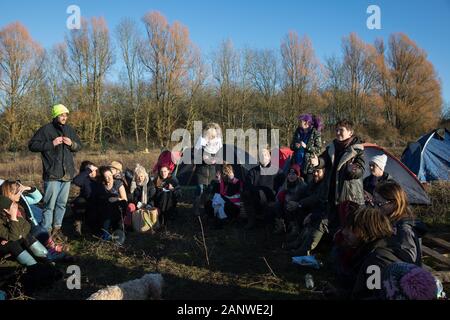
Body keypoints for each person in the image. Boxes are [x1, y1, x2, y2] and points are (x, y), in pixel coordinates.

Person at [28, 104, 82, 241]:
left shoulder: (69, 130)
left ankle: (57, 229)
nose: (65, 117)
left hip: (67, 174)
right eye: (62, 115)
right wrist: (51, 144)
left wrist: (72, 144)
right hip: (52, 174)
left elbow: (79, 146)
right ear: (55, 115)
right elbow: (32, 145)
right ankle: (46, 232)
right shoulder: (46, 130)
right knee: (49, 205)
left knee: (62, 204)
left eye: (66, 115)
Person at [310, 119, 365, 231]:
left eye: (341, 130)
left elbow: (361, 170)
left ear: (350, 132)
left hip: (349, 195)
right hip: (332, 193)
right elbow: (324, 159)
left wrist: (353, 170)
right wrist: (318, 162)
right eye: (336, 130)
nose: (338, 132)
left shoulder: (357, 149)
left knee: (347, 225)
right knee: (332, 223)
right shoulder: (332, 147)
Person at [337, 207, 403, 299]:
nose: (344, 232)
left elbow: (375, 296)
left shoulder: (376, 261)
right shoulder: (370, 250)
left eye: (350, 228)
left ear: (367, 230)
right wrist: (341, 294)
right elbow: (366, 291)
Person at [0, 196, 62, 293]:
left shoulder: (11, 214)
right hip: (4, 246)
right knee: (13, 244)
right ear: (5, 209)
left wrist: (18, 233)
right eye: (12, 206)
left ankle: (46, 262)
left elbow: (26, 225)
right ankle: (34, 268)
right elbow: (13, 236)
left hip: (14, 239)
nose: (15, 207)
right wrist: (13, 219)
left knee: (26, 237)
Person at [373, 181, 426, 266]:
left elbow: (410, 259)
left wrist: (383, 254)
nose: (376, 208)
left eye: (379, 204)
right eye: (374, 203)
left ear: (394, 203)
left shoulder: (404, 228)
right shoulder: (392, 221)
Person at [284, 167, 329, 256]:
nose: (315, 173)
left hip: (324, 213)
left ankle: (304, 249)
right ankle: (298, 239)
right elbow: (305, 193)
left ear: (324, 172)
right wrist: (294, 201)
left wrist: (299, 204)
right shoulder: (313, 182)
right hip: (315, 209)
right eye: (314, 171)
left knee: (316, 220)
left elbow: (316, 199)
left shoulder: (326, 185)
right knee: (298, 208)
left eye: (318, 171)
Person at [243, 147, 285, 229]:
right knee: (246, 193)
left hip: (271, 197)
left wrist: (267, 194)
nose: (263, 156)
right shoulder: (252, 171)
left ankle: (270, 223)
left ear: (269, 157)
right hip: (255, 197)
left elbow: (282, 188)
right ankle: (251, 221)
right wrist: (260, 191)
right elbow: (247, 185)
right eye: (261, 155)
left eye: (265, 154)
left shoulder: (278, 172)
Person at [192, 123, 223, 217]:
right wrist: (202, 158)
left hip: (212, 168)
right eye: (210, 136)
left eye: (213, 136)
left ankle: (205, 207)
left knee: (209, 190)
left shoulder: (218, 140)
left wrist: (216, 161)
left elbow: (220, 154)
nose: (211, 138)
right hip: (201, 169)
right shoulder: (201, 140)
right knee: (200, 190)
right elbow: (194, 154)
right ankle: (196, 209)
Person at [92, 166, 128, 239]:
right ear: (103, 177)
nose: (109, 178)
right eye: (106, 176)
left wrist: (115, 199)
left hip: (118, 207)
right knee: (104, 206)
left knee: (111, 206)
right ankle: (105, 233)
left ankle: (106, 233)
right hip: (104, 209)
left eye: (110, 175)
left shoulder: (118, 183)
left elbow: (124, 199)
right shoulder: (101, 186)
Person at [272, 164, 307, 236]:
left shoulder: (302, 185)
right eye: (289, 174)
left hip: (298, 206)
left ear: (298, 175)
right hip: (286, 205)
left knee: (289, 204)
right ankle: (281, 224)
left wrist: (295, 203)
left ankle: (295, 227)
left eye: (294, 174)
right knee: (277, 204)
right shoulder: (286, 183)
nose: (291, 176)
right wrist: (282, 195)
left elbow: (304, 199)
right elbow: (278, 196)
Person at [205, 164, 243, 228]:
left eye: (226, 174)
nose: (224, 176)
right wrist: (218, 181)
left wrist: (232, 179)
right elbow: (215, 192)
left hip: (233, 207)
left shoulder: (237, 182)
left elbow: (232, 192)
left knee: (219, 197)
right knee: (209, 203)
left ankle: (218, 218)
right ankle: (220, 219)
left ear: (231, 172)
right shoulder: (222, 182)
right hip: (222, 204)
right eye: (223, 174)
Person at [290, 114, 322, 184]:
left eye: (300, 121)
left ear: (306, 122)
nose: (299, 123)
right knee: (296, 186)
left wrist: (306, 147)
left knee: (308, 187)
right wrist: (295, 146)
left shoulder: (315, 133)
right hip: (296, 165)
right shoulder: (297, 131)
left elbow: (318, 149)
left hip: (308, 167)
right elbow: (291, 146)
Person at [72, 161, 98, 236]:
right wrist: (88, 170)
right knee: (80, 201)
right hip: (86, 203)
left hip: (97, 204)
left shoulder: (100, 178)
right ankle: (78, 225)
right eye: (90, 171)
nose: (92, 172)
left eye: (93, 170)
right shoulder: (85, 179)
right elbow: (76, 181)